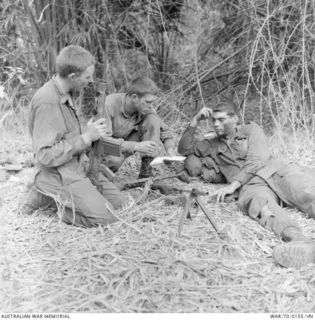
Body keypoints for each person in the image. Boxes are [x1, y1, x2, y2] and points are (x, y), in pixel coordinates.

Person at [178, 101, 315, 269]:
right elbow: (184, 149)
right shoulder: (211, 145)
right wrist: (195, 120)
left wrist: (233, 185)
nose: (215, 124)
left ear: (235, 119)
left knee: (306, 191)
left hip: (274, 171)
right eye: (213, 120)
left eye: (221, 120)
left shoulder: (251, 130)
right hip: (252, 186)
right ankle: (300, 242)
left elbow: (258, 160)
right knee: (260, 206)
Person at [22, 45, 128, 227]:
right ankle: (49, 199)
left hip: (76, 165)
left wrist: (87, 132)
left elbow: (64, 136)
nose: (90, 80)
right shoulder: (48, 102)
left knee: (121, 204)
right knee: (105, 218)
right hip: (57, 174)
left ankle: (64, 199)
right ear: (72, 76)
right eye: (87, 77)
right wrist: (86, 138)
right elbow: (45, 155)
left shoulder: (67, 93)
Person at [98, 76, 176, 178]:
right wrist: (136, 146)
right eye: (148, 102)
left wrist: (170, 149)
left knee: (153, 120)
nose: (151, 106)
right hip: (105, 149)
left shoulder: (145, 109)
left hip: (125, 142)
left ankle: (146, 173)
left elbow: (164, 130)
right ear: (134, 97)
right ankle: (100, 176)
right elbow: (103, 143)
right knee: (114, 160)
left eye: (152, 102)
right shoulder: (108, 105)